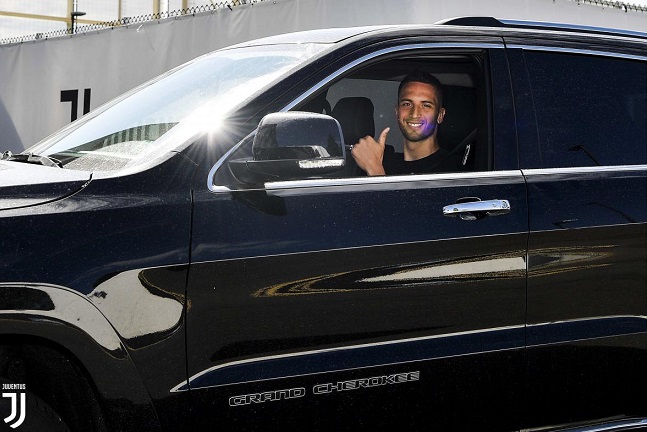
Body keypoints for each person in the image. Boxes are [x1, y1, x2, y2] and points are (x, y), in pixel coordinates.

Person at [350, 71, 461, 175]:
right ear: (397, 112)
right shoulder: (380, 160)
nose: (414, 114)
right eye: (407, 104)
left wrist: (374, 170)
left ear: (440, 115)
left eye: (426, 105)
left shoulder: (454, 171)